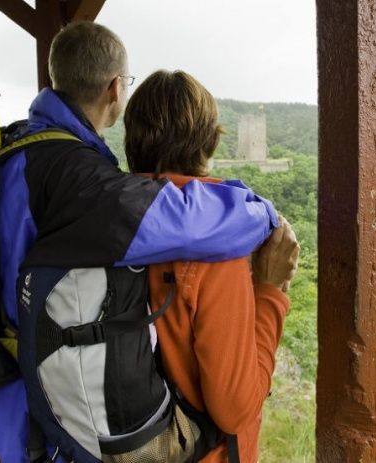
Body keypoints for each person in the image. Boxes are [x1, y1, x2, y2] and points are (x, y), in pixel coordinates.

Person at [0, 22, 298, 462]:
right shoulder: (103, 198)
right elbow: (235, 408)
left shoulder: (27, 160)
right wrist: (270, 287)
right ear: (113, 91)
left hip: (29, 412)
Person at [124, 70, 296, 462]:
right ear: (209, 142)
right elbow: (234, 410)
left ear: (132, 141)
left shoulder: (108, 221)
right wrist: (269, 294)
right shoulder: (218, 243)